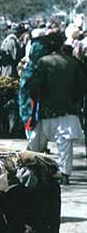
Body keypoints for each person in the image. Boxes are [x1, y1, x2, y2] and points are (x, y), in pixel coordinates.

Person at [26, 33, 86, 184]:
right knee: (65, 146)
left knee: (36, 144)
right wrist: (75, 101)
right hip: (68, 110)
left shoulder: (43, 62)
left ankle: (35, 172)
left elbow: (33, 87)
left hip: (47, 111)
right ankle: (65, 174)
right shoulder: (73, 63)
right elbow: (82, 87)